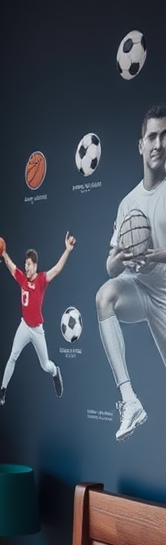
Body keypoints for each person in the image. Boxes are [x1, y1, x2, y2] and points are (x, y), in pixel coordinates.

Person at [95, 105, 166, 442]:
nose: (158, 144)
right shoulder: (128, 202)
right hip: (141, 289)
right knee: (104, 296)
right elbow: (111, 266)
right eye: (152, 136)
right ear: (141, 144)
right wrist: (121, 257)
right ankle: (130, 400)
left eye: (165, 136)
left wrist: (156, 256)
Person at [0, 231, 76, 405]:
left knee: (45, 365)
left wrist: (67, 250)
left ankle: (55, 372)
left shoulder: (42, 280)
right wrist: (4, 253)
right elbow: (10, 265)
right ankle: (2, 393)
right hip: (24, 326)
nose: (26, 267)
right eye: (25, 264)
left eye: (29, 264)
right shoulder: (22, 279)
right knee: (13, 356)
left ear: (35, 265)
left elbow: (57, 269)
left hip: (37, 329)